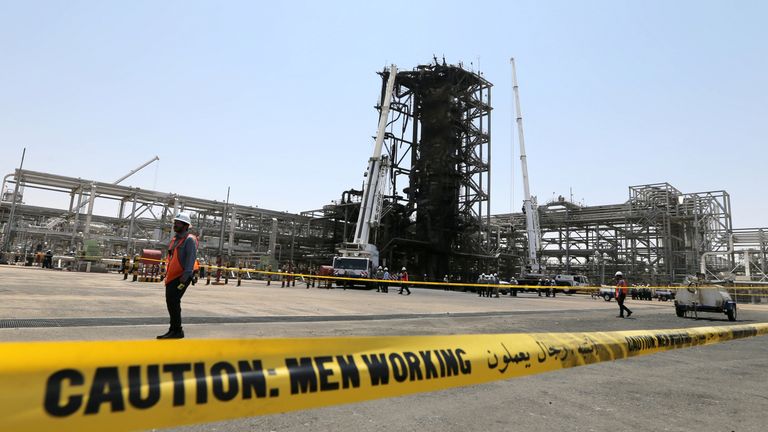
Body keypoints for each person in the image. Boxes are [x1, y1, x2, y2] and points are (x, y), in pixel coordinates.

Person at [157, 212, 197, 339]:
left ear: (185, 226)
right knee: (171, 302)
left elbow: (191, 259)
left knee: (174, 302)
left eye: (178, 223)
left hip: (182, 277)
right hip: (172, 276)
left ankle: (177, 330)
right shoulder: (175, 239)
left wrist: (185, 277)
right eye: (175, 222)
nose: (175, 225)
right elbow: (172, 258)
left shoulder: (189, 240)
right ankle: (173, 330)